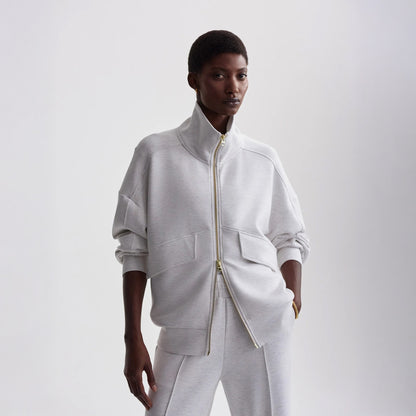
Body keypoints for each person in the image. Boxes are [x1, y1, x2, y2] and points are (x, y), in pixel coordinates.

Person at [112, 29, 311, 416]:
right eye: (219, 75)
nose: (233, 87)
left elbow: (291, 236)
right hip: (186, 332)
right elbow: (134, 248)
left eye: (241, 75)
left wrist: (292, 300)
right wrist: (132, 336)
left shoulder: (262, 159)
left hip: (262, 328)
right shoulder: (155, 154)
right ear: (194, 80)